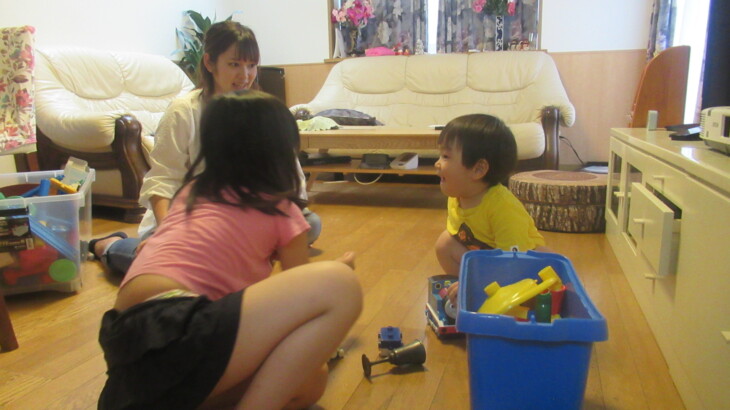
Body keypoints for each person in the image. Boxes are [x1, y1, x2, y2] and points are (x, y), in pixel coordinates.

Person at [98, 89, 362, 409]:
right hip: (180, 323)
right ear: (282, 149)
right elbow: (303, 300)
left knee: (300, 373)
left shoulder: (191, 192)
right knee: (336, 293)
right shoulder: (280, 209)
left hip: (126, 349)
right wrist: (337, 269)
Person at [89, 21, 321, 276]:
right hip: (191, 219)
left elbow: (289, 174)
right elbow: (163, 180)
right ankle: (111, 246)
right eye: (234, 64)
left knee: (309, 223)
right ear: (210, 63)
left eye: (251, 65)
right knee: (175, 265)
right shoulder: (184, 111)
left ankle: (234, 253)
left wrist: (286, 218)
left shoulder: (261, 111)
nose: (245, 75)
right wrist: (168, 234)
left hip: (247, 215)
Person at [434, 114, 547, 303]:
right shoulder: (457, 196)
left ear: (478, 170)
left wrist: (487, 281)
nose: (437, 163)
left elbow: (514, 262)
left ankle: (481, 290)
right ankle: (470, 291)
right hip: (488, 257)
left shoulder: (504, 209)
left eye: (445, 156)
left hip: (522, 263)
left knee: (547, 260)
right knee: (445, 243)